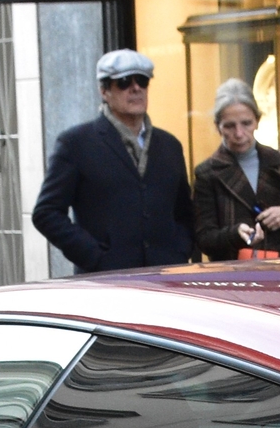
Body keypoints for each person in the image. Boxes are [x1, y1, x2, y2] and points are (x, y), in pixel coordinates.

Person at [31, 48, 195, 273]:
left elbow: (184, 212)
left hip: (164, 277)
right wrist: (93, 256)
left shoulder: (169, 145)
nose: (136, 88)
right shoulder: (76, 143)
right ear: (104, 91)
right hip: (105, 281)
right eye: (124, 82)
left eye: (143, 81)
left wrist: (179, 250)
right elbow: (46, 213)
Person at [192, 79, 280, 261]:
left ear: (257, 121)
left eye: (246, 123)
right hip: (233, 272)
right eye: (229, 126)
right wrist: (235, 234)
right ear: (218, 126)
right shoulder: (207, 173)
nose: (239, 133)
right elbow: (204, 238)